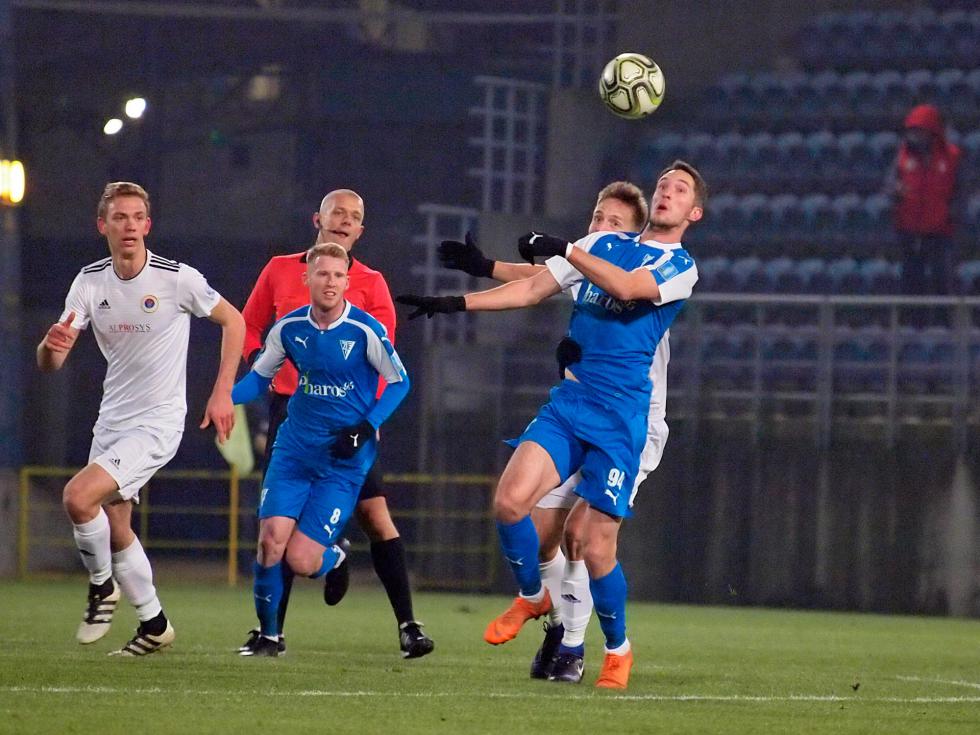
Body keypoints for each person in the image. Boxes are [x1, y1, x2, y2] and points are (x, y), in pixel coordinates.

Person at [398, 161, 705, 689]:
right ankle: (543, 606)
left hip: (627, 420)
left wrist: (564, 248)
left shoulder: (677, 267)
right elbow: (536, 285)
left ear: (693, 212)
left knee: (586, 541)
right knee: (520, 513)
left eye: (679, 190)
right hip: (573, 403)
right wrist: (455, 301)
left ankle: (598, 648)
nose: (667, 193)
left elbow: (624, 287)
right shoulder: (600, 248)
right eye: (663, 184)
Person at [37, 181, 245, 656]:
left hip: (158, 422)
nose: (129, 226)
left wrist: (222, 392)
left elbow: (234, 321)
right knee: (115, 526)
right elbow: (51, 362)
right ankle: (154, 623)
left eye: (136, 217)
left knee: (77, 497)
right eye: (119, 217)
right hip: (112, 419)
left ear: (148, 225)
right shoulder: (89, 282)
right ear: (103, 226)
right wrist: (49, 347)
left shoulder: (176, 278)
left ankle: (101, 587)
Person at [238, 189, 433, 658]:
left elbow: (387, 362)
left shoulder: (371, 284)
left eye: (355, 216)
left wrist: (370, 420)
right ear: (317, 220)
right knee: (277, 528)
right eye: (337, 213)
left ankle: (408, 624)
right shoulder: (280, 270)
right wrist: (257, 364)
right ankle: (270, 632)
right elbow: (249, 325)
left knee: (375, 515)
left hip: (351, 419)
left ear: (361, 231)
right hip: (292, 412)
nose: (345, 221)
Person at [884, 103, 962, 297]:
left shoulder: (952, 156)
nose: (914, 135)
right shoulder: (902, 156)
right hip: (908, 230)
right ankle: (912, 317)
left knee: (942, 281)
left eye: (919, 130)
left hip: (940, 231)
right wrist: (895, 190)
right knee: (911, 282)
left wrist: (952, 215)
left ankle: (943, 317)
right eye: (912, 131)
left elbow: (961, 190)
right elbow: (889, 184)